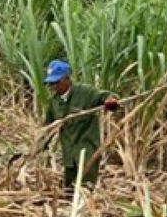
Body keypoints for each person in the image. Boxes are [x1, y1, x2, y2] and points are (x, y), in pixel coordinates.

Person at [42, 60, 118, 193]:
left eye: (56, 82)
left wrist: (110, 102)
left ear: (67, 79)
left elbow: (107, 97)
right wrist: (41, 145)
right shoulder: (54, 102)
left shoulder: (85, 92)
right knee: (69, 191)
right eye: (50, 83)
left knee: (85, 189)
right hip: (69, 154)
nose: (53, 86)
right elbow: (48, 127)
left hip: (86, 150)